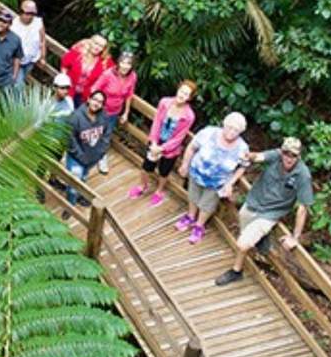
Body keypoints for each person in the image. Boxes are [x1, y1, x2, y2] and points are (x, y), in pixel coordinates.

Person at [215, 137, 314, 286]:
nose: (289, 158)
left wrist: (295, 237)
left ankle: (236, 271)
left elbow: (303, 208)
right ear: (282, 152)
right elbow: (259, 157)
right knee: (244, 228)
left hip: (270, 213)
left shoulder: (302, 175)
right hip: (253, 201)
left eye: (293, 155)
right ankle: (261, 240)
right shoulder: (276, 156)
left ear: (299, 156)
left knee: (242, 244)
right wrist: (249, 156)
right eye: (286, 153)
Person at [175, 111, 249, 245]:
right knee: (193, 196)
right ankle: (190, 216)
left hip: (217, 182)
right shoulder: (209, 133)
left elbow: (243, 166)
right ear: (224, 124)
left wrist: (230, 183)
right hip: (196, 173)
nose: (232, 132)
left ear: (241, 132)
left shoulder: (242, 148)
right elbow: (192, 147)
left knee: (207, 205)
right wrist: (185, 164)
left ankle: (199, 226)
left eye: (236, 130)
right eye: (230, 127)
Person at [129, 80, 197, 206]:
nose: (182, 95)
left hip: (171, 148)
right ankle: (142, 185)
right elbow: (157, 122)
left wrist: (162, 148)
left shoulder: (189, 116)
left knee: (164, 171)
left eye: (186, 94)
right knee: (146, 166)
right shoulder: (165, 102)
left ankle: (159, 191)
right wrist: (154, 142)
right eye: (181, 91)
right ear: (178, 90)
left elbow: (179, 137)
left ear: (189, 98)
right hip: (156, 140)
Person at [90, 50, 137, 174]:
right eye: (123, 62)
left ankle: (101, 157)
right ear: (118, 63)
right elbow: (94, 88)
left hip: (115, 111)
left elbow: (129, 95)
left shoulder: (132, 76)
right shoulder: (108, 74)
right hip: (101, 109)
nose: (125, 66)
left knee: (107, 135)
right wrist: (96, 104)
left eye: (128, 64)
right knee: (94, 131)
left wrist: (126, 112)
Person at [64, 90, 112, 208]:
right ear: (89, 99)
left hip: (92, 157)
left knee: (84, 177)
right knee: (74, 183)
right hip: (76, 157)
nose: (96, 103)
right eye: (95, 99)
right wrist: (81, 156)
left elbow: (106, 136)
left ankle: (80, 196)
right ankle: (70, 205)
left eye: (100, 102)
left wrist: (99, 154)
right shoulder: (76, 117)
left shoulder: (104, 117)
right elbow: (70, 139)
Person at [59, 34, 111, 102]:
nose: (97, 47)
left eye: (101, 46)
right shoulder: (77, 52)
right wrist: (63, 82)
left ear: (103, 49)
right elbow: (64, 65)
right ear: (90, 42)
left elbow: (116, 70)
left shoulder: (104, 61)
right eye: (96, 43)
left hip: (85, 97)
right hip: (68, 90)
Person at [9, 0, 46, 86]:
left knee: (20, 79)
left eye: (31, 14)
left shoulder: (38, 23)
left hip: (30, 60)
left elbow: (42, 40)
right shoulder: (13, 24)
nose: (28, 16)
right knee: (19, 85)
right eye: (26, 13)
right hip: (16, 61)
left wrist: (43, 57)